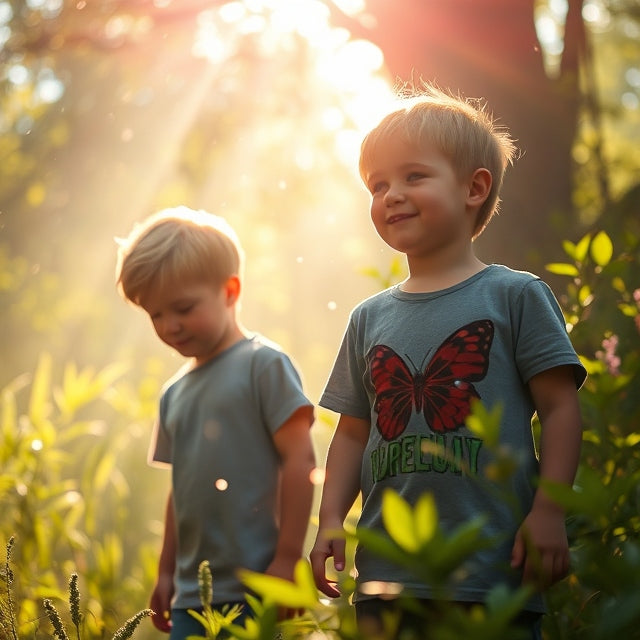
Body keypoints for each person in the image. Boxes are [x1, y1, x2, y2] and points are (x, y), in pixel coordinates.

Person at [309, 85, 585, 639]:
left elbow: (559, 409)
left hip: (491, 573)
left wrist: (549, 512)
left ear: (474, 188)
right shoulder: (369, 318)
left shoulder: (513, 296)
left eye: (413, 176)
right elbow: (352, 434)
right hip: (388, 578)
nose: (391, 195)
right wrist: (330, 520)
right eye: (378, 184)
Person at [116, 207, 316, 640]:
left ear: (229, 290)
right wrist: (165, 572)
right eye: (155, 315)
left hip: (260, 588)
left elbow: (300, 461)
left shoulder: (263, 365)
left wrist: (287, 558)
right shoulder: (174, 393)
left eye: (183, 308)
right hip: (192, 598)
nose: (169, 326)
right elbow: (180, 491)